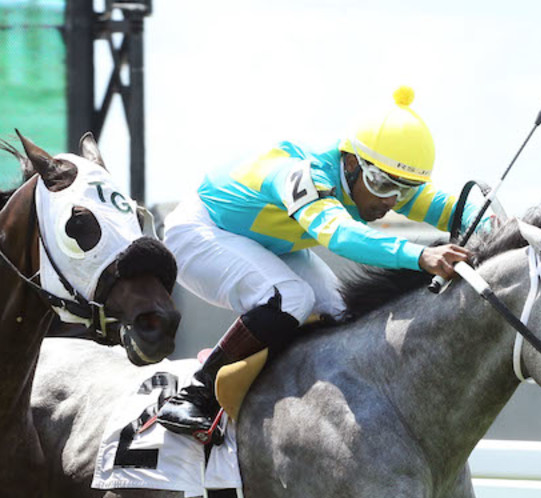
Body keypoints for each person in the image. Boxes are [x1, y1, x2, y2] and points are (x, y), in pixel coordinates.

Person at [155, 85, 481, 438]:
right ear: (352, 164)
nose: (392, 201)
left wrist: (490, 220)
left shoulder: (375, 175)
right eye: (384, 186)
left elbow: (450, 209)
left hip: (263, 242)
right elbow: (339, 235)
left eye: (404, 191)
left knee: (338, 312)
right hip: (200, 231)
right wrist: (420, 255)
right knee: (292, 297)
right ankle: (197, 394)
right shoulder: (305, 173)